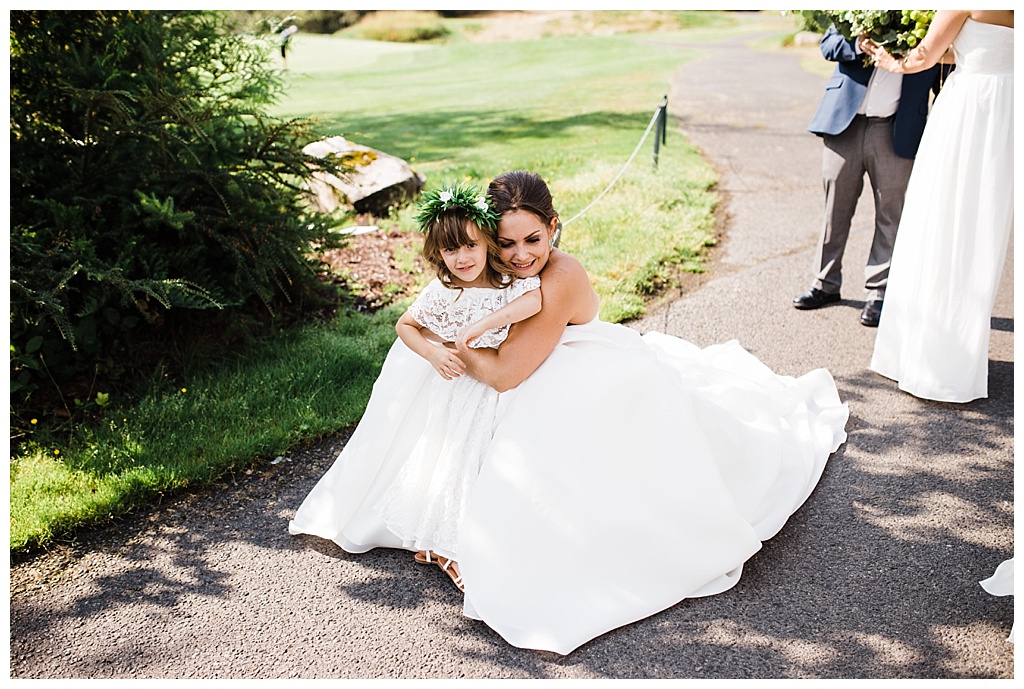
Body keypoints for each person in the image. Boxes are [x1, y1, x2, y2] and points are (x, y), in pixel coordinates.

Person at [290, 170, 850, 656]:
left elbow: (508, 373)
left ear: (554, 226)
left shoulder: (559, 277)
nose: (520, 255)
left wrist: (458, 344)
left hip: (566, 371)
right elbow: (462, 308)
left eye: (533, 238)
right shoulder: (499, 270)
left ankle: (490, 538)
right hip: (519, 366)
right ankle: (442, 517)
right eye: (505, 243)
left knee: (552, 441)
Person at [289, 182, 541, 592]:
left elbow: (532, 303)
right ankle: (446, 545)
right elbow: (405, 325)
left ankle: (465, 538)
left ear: (488, 244)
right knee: (456, 461)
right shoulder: (444, 292)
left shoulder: (507, 282)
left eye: (471, 247)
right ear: (438, 254)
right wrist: (434, 353)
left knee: (485, 462)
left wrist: (479, 325)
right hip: (458, 388)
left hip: (495, 385)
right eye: (451, 250)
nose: (462, 258)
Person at [863, 10, 1013, 403]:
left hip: (971, 112)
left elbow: (926, 56)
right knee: (981, 229)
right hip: (1009, 109)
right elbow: (975, 48)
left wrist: (891, 59)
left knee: (941, 222)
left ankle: (930, 356)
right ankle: (957, 356)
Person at [795, 23, 948, 327]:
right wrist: (857, 43)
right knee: (834, 210)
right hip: (845, 123)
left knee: (891, 213)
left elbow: (944, 75)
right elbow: (829, 45)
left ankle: (879, 292)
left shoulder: (932, 17)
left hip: (896, 128)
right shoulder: (862, 10)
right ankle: (824, 283)